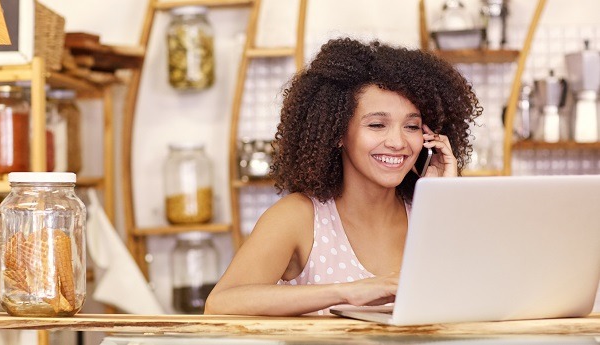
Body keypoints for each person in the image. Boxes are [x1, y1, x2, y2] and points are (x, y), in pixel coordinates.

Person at [204, 38, 481, 316]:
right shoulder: (299, 217)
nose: (398, 142)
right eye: (377, 124)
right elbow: (220, 304)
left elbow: (472, 304)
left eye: (411, 126)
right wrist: (347, 292)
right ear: (337, 133)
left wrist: (443, 201)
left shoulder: (428, 217)